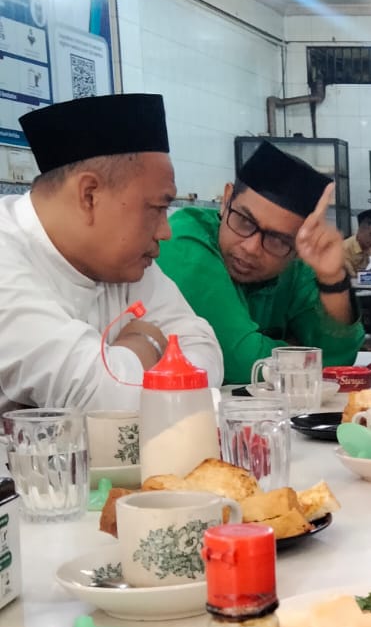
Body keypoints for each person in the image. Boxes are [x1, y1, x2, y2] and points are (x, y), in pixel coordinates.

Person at [0, 93, 223, 412]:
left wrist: (122, 365)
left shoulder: (121, 263)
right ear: (89, 195)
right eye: (157, 209)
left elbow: (204, 354)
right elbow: (103, 397)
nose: (166, 232)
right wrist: (146, 342)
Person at [156, 141, 364, 384]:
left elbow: (340, 361)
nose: (251, 248)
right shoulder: (185, 241)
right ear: (226, 200)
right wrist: (303, 353)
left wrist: (332, 279)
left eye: (276, 239)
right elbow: (240, 362)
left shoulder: (297, 260)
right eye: (244, 221)